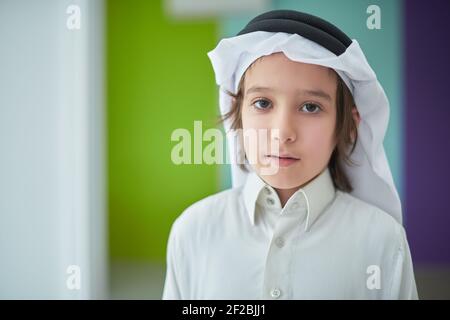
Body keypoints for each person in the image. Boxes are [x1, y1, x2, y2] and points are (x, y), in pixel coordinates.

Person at [162, 9, 418, 300]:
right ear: (238, 115)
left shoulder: (384, 241)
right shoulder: (193, 231)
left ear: (348, 126)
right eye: (262, 103)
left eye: (310, 107)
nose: (282, 132)